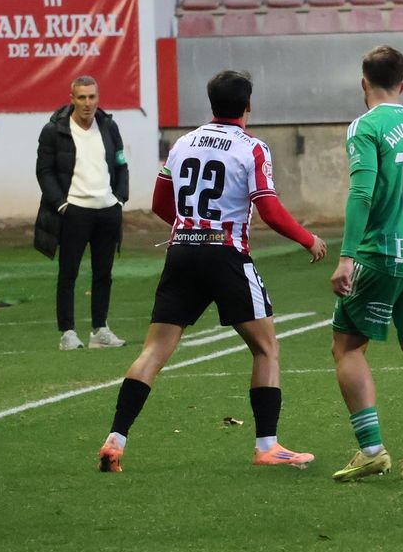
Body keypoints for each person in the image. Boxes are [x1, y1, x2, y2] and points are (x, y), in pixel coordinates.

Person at [97, 71, 327, 475]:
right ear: (248, 105)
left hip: (182, 252)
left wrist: (189, 226)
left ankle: (116, 440)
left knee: (154, 351)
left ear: (211, 102)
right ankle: (267, 446)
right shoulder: (251, 148)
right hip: (225, 254)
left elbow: (159, 203)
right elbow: (269, 209)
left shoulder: (183, 143)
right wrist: (308, 239)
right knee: (266, 348)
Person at [329, 46, 403, 482]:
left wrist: (346, 257)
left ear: (364, 83)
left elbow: (361, 194)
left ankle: (372, 449)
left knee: (347, 346)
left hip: (382, 254)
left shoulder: (365, 126)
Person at [35, 76, 131, 352]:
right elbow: (44, 171)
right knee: (68, 273)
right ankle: (68, 333)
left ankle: (100, 329)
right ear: (72, 98)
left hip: (107, 210)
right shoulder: (54, 130)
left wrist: (120, 199)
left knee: (104, 273)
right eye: (82, 98)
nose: (87, 103)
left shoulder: (109, 126)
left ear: (98, 98)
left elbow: (121, 164)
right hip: (74, 211)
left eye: (92, 97)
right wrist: (61, 204)